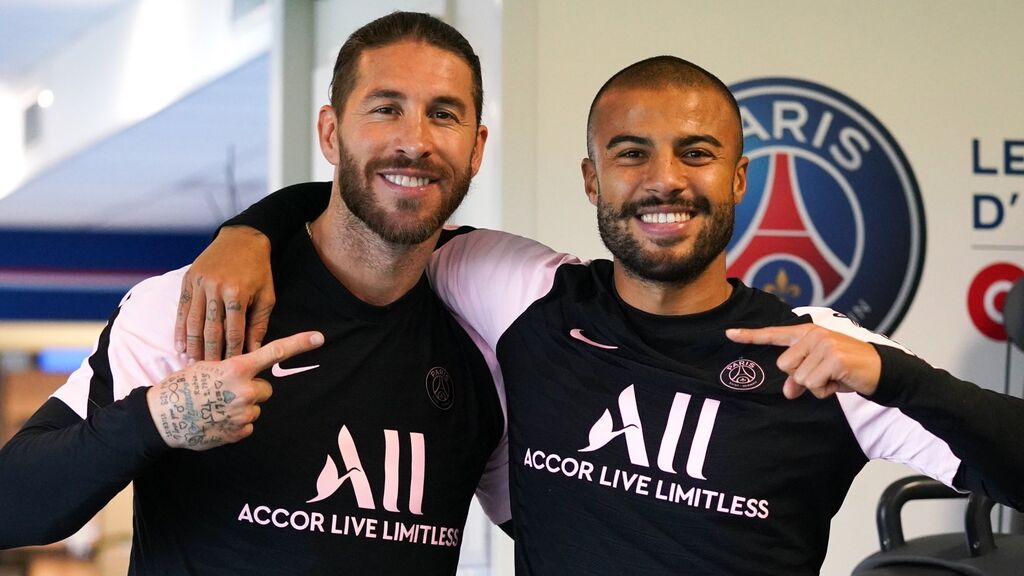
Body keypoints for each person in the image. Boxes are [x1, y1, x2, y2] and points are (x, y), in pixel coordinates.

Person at [177, 56, 1024, 574]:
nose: (665, 181)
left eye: (698, 153)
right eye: (630, 154)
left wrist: (894, 376)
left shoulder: (820, 352)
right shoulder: (520, 291)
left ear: (737, 179)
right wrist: (252, 230)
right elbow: (391, 209)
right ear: (592, 182)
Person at [0, 12, 510, 575]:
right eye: (385, 108)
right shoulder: (194, 306)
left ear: (477, 147)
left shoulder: (489, 335)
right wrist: (157, 420)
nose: (415, 141)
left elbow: (571, 526)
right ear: (330, 134)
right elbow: (12, 507)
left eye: (443, 115)